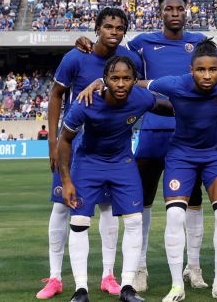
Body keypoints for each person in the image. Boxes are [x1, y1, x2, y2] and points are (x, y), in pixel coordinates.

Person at [75, 0, 217, 292]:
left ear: (186, 13)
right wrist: (88, 48)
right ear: (161, 12)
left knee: (193, 203)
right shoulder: (142, 42)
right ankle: (138, 267)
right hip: (155, 130)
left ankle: (193, 267)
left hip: (194, 135)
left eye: (180, 8)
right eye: (169, 8)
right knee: (142, 201)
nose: (175, 13)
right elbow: (114, 59)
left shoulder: (202, 42)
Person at [37, 7, 142, 299]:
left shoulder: (129, 60)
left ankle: (109, 276)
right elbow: (56, 94)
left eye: (119, 28)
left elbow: (139, 91)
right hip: (74, 146)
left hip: (110, 148)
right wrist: (52, 143)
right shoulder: (77, 56)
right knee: (62, 208)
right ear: (97, 28)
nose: (113, 32)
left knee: (108, 211)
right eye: (108, 26)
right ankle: (56, 277)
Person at [58, 55, 172, 302]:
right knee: (79, 223)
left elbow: (168, 107)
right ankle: (80, 290)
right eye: (115, 78)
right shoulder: (86, 102)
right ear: (105, 80)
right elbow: (65, 140)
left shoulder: (141, 98)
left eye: (126, 78)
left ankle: (128, 287)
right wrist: (66, 181)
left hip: (122, 163)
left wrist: (199, 102)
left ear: (134, 80)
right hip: (88, 164)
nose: (121, 84)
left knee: (133, 222)